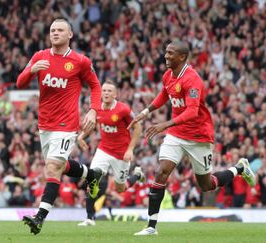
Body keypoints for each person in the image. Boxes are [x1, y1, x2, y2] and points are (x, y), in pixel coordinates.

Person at [128, 41, 256, 236]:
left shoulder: (192, 79)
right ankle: (151, 227)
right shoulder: (168, 75)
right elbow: (164, 94)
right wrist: (145, 112)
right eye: (166, 52)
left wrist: (165, 124)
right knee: (161, 172)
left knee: (207, 185)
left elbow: (192, 112)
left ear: (182, 57)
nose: (166, 56)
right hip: (177, 134)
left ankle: (239, 168)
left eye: (170, 53)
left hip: (199, 136)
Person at [16, 18, 103, 235]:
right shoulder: (39, 56)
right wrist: (31, 70)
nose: (55, 33)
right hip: (45, 123)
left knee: (52, 167)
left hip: (67, 123)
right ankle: (90, 175)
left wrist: (93, 110)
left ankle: (39, 218)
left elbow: (95, 85)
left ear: (70, 35)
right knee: (60, 165)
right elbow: (20, 83)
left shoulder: (79, 61)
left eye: (60, 30)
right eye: (52, 30)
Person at [77, 80, 144, 226]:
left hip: (121, 154)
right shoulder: (96, 108)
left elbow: (138, 127)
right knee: (92, 178)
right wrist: (81, 136)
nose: (106, 93)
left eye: (109, 91)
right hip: (104, 149)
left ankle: (137, 175)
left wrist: (130, 149)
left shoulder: (123, 109)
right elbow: (91, 124)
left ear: (115, 94)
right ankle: (89, 218)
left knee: (120, 188)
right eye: (104, 90)